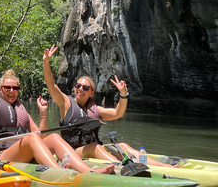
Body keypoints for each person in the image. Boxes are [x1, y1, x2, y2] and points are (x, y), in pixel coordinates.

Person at [43, 44, 177, 167]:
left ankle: (165, 167)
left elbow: (118, 113)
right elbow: (51, 84)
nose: (80, 89)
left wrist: (123, 95)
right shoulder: (65, 102)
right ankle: (124, 166)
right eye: (78, 86)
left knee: (122, 145)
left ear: (91, 93)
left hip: (96, 148)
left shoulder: (96, 110)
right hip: (73, 151)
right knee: (94, 147)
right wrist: (46, 62)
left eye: (85, 87)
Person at [0, 69, 114, 174]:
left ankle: (88, 172)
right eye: (8, 88)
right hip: (0, 155)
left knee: (53, 137)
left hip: (22, 154)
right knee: (31, 138)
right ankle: (59, 172)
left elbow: (42, 137)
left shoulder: (22, 111)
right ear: (1, 89)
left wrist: (43, 114)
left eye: (15, 88)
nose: (12, 91)